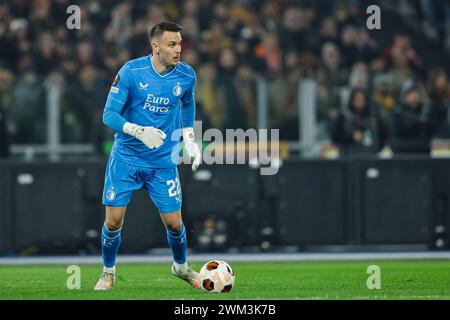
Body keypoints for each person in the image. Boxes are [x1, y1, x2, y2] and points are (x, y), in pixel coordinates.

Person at [94, 21, 202, 291]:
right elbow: (109, 115)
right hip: (126, 159)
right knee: (113, 221)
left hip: (162, 162)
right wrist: (138, 131)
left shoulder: (186, 76)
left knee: (175, 224)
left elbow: (187, 103)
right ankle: (108, 272)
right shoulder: (131, 71)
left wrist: (189, 139)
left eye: (179, 44)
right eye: (171, 44)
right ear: (156, 46)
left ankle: (180, 267)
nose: (178, 49)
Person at [331, 87, 383, 155]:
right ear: (352, 99)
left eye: (362, 98)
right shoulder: (343, 115)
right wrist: (351, 137)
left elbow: (382, 135)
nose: (359, 100)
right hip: (348, 156)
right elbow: (335, 136)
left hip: (371, 155)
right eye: (357, 98)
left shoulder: (374, 115)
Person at [389, 81, 434, 154]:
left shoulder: (426, 111)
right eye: (411, 93)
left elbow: (430, 136)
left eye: (417, 93)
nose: (415, 95)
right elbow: (394, 140)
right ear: (405, 95)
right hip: (402, 156)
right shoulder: (397, 113)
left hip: (422, 156)